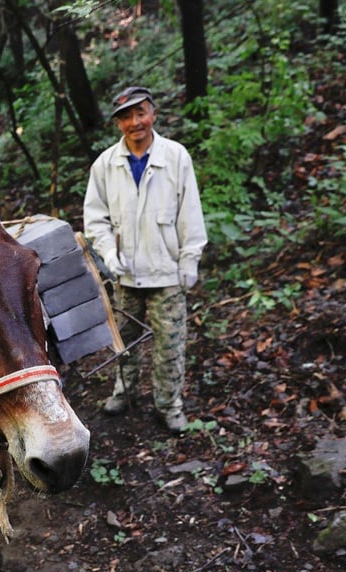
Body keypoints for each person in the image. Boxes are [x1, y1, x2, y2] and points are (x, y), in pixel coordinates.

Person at [83, 85, 207, 432]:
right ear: (118, 123)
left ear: (153, 114)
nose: (134, 122)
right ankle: (124, 392)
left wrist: (190, 259)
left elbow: (190, 211)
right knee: (123, 340)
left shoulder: (176, 156)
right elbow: (95, 218)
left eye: (140, 113)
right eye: (126, 117)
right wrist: (108, 252)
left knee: (170, 343)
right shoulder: (106, 164)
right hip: (126, 274)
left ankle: (169, 405)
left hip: (167, 272)